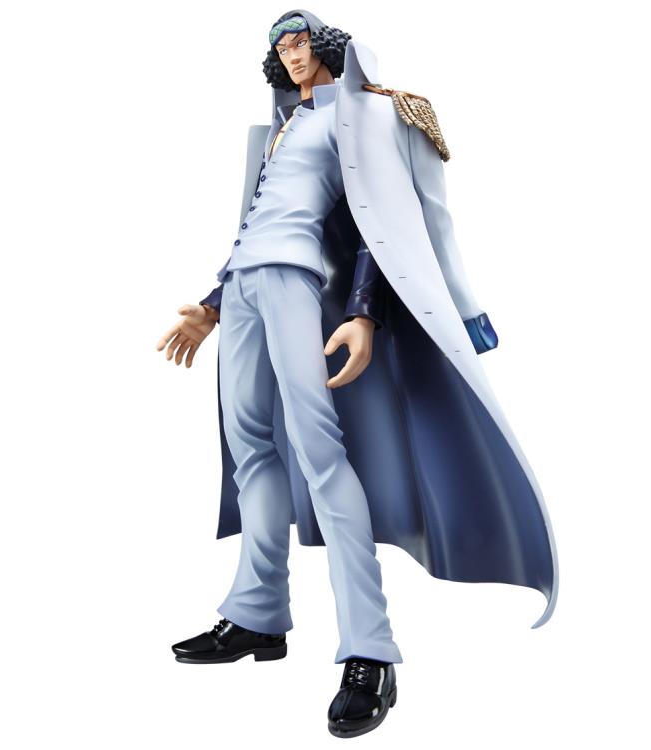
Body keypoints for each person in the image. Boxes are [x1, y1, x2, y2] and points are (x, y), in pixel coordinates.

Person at [157, 9, 558, 739]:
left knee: (320, 453)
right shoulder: (279, 128)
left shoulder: (368, 114)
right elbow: (253, 224)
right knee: (250, 451)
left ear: (326, 47)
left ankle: (370, 650)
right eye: (282, 46)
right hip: (244, 287)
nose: (292, 53)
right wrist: (210, 307)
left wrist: (365, 313)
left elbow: (384, 219)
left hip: (297, 284)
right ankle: (257, 611)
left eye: (301, 41)